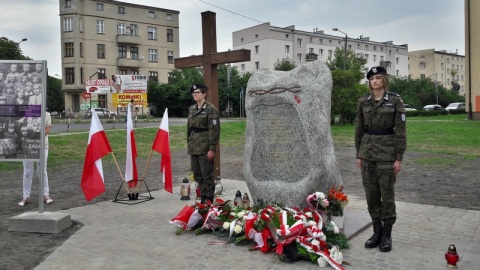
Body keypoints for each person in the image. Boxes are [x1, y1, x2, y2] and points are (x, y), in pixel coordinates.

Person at [354, 66, 406, 252]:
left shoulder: (395, 101)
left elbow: (400, 132)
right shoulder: (363, 102)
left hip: (387, 153)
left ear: (384, 80)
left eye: (377, 77)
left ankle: (387, 234)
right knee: (371, 195)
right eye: (371, 78)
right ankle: (376, 231)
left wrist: (398, 158)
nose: (374, 81)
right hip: (367, 153)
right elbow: (359, 129)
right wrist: (359, 153)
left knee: (387, 195)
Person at [187, 84, 220, 204]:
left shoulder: (211, 109)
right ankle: (202, 197)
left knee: (207, 175)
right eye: (193, 92)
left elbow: (214, 130)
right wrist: (189, 143)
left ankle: (209, 199)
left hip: (205, 146)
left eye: (197, 92)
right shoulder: (191, 109)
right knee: (197, 174)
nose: (195, 94)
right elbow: (189, 128)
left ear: (204, 94)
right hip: (194, 145)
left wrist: (212, 149)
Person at [18, 111, 53, 206]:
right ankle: (25, 197)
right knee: (27, 172)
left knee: (42, 171)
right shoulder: (25, 113)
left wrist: (35, 136)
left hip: (42, 146)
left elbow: (47, 129)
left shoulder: (47, 114)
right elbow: (20, 127)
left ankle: (46, 195)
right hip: (27, 146)